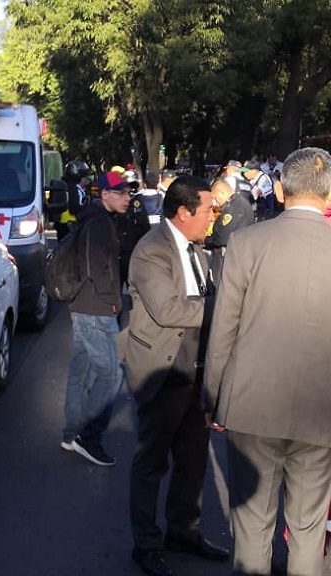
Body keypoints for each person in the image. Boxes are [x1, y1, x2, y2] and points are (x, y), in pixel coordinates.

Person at [205, 147, 331, 576]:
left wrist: (213, 398)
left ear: (278, 190)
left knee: (252, 525)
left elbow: (224, 329)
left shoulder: (247, 243)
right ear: (329, 196)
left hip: (251, 406)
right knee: (310, 527)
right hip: (322, 414)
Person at [120, 175, 228, 576]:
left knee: (193, 460)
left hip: (197, 374)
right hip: (163, 373)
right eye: (208, 210)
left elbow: (205, 298)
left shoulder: (198, 250)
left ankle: (182, 530)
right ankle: (145, 545)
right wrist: (228, 307)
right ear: (183, 213)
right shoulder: (150, 251)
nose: (212, 218)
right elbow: (169, 311)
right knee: (151, 463)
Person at [61, 170, 130, 466]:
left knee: (82, 368)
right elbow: (95, 266)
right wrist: (113, 302)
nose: (127, 198)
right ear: (104, 194)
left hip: (84, 305)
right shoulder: (99, 222)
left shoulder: (93, 218)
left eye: (128, 193)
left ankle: (72, 433)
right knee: (112, 373)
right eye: (121, 193)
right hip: (96, 309)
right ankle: (89, 437)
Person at [204, 177, 253, 287]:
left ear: (222, 193)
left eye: (215, 198)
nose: (215, 202)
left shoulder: (235, 208)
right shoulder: (236, 203)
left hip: (228, 259)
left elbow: (222, 237)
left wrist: (206, 240)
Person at [117, 172, 152, 288]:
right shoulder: (116, 203)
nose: (130, 191)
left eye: (133, 187)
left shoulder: (139, 202)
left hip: (134, 251)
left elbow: (144, 226)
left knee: (135, 288)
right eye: (127, 188)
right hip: (118, 253)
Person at [57, 160, 91, 240]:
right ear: (78, 177)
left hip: (66, 224)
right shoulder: (73, 189)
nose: (88, 178)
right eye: (85, 176)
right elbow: (74, 209)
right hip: (70, 225)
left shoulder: (71, 187)